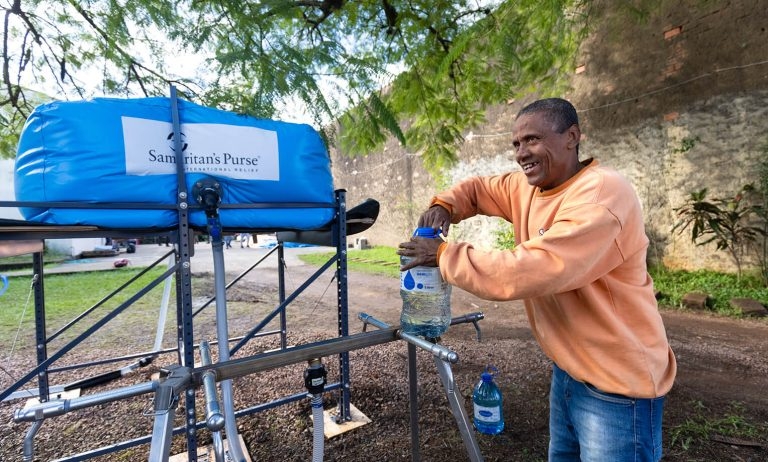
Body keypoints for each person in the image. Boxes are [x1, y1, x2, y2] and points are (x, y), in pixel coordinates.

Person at [397, 98, 676, 462]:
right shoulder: (529, 187)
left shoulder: (601, 196)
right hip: (570, 373)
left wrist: (443, 255)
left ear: (572, 137)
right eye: (516, 143)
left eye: (532, 140)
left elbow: (533, 269)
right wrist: (444, 205)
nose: (521, 153)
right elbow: (479, 189)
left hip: (617, 387)